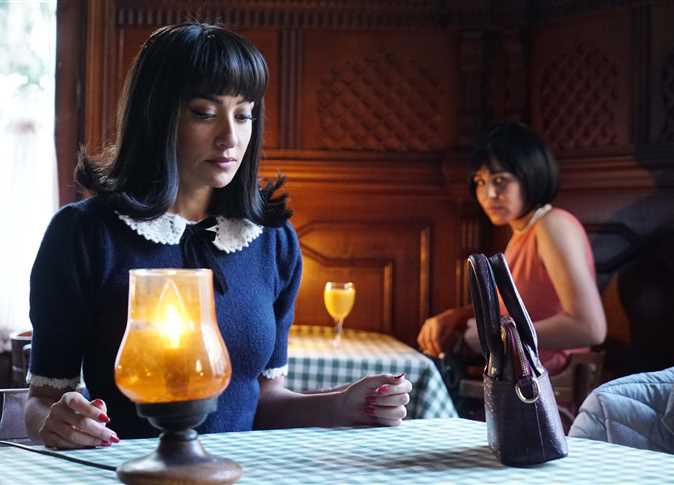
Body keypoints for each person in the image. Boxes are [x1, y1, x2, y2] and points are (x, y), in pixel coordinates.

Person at [25, 23, 411, 449]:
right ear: (155, 114)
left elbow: (264, 401)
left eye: (243, 114)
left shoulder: (272, 241)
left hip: (240, 472)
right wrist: (57, 421)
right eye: (204, 113)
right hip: (119, 470)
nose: (230, 137)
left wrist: (343, 405)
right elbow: (41, 400)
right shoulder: (84, 234)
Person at [418, 121, 607, 375]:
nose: (489, 194)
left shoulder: (552, 225)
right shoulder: (523, 231)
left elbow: (590, 328)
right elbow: (525, 307)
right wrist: (455, 316)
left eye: (500, 180)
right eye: (480, 181)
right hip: (518, 379)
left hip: (549, 386)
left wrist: (496, 337)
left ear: (531, 176)